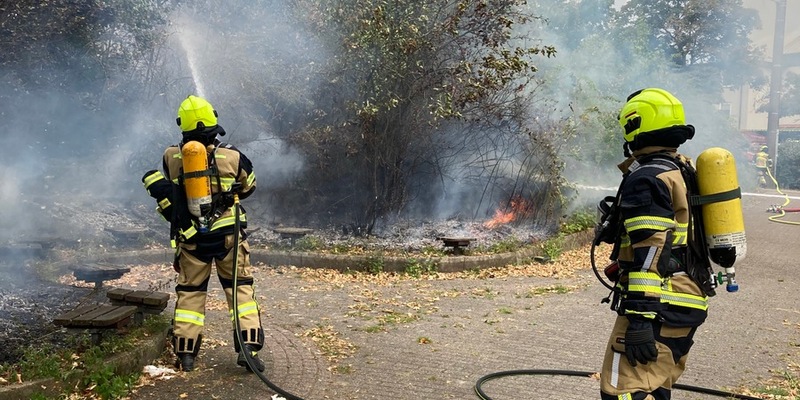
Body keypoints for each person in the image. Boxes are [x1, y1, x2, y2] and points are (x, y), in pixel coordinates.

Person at [600, 88, 710, 399]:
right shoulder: (681, 169)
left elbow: (651, 251)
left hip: (659, 306)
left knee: (621, 391)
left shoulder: (648, 178)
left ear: (634, 125)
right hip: (687, 298)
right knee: (656, 387)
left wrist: (640, 319)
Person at [142, 95, 265, 372]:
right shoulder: (232, 156)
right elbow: (249, 186)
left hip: (192, 238)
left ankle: (186, 354)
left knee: (190, 293)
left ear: (182, 125)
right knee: (240, 291)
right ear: (213, 121)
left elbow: (173, 185)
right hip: (229, 237)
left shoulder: (171, 156)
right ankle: (248, 349)